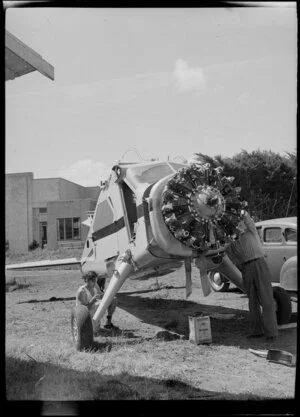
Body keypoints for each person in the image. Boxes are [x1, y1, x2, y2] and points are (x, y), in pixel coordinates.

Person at [228, 210, 278, 341]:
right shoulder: (231, 241)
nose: (237, 226)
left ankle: (271, 333)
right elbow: (231, 256)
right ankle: (256, 331)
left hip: (259, 262)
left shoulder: (250, 231)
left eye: (237, 223)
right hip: (246, 267)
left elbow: (248, 220)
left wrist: (241, 211)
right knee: (253, 301)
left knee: (266, 299)